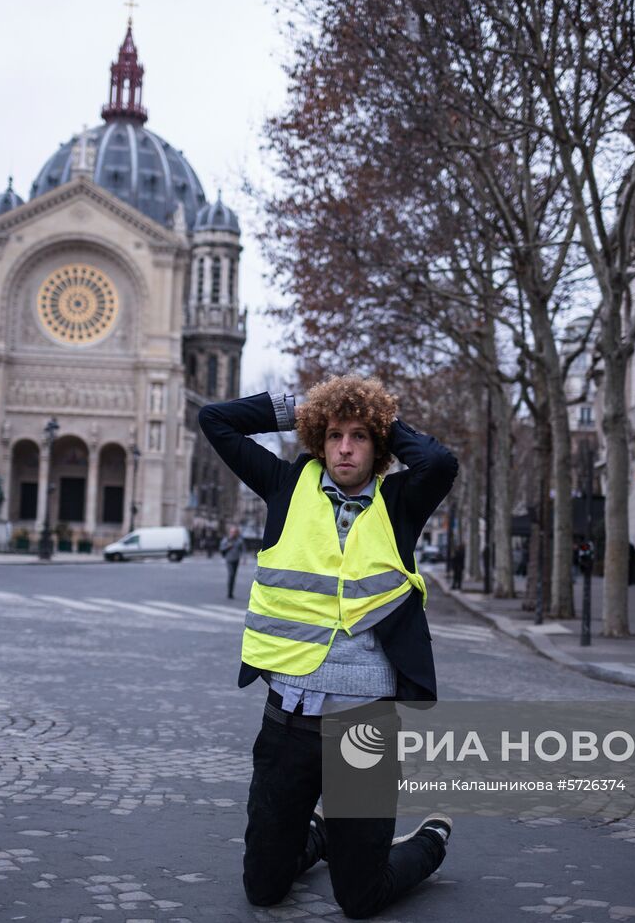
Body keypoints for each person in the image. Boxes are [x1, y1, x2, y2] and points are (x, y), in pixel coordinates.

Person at [200, 374, 459, 920]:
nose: (345, 448)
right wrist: (305, 408)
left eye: (361, 436)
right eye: (335, 434)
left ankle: (430, 841)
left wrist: (384, 421)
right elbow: (215, 420)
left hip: (361, 728)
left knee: (360, 899)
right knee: (263, 890)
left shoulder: (400, 502)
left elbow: (439, 462)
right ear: (318, 439)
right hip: (287, 723)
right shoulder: (283, 486)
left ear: (379, 446)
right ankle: (318, 838)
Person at [219, 524, 246, 599]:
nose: (233, 533)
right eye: (231, 532)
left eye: (234, 532)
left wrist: (244, 559)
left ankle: (231, 592)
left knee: (233, 576)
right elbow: (221, 548)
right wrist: (228, 546)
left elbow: (243, 550)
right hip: (229, 560)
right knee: (231, 575)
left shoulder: (239, 540)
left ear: (237, 533)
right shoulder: (226, 540)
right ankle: (229, 592)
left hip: (236, 560)